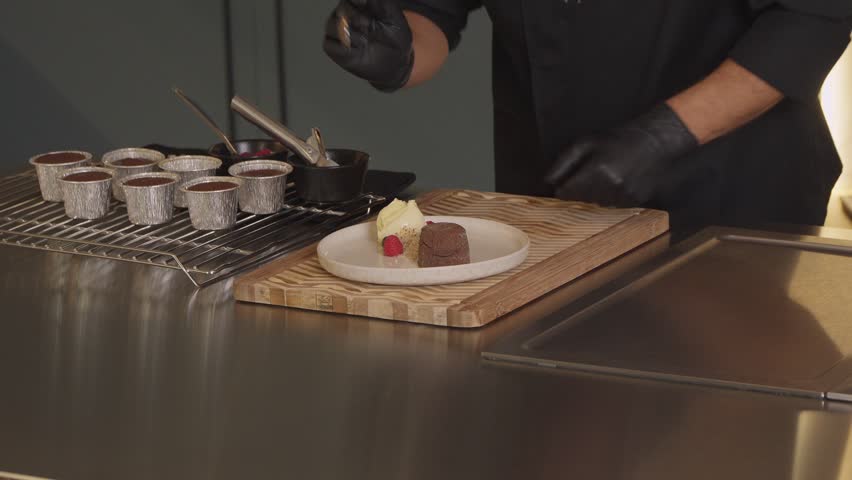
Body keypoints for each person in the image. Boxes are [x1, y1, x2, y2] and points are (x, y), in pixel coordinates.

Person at [323, 0, 852, 229]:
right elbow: (433, 11)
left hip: (734, 202)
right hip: (560, 205)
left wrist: (662, 137)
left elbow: (813, 18)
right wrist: (397, 54)